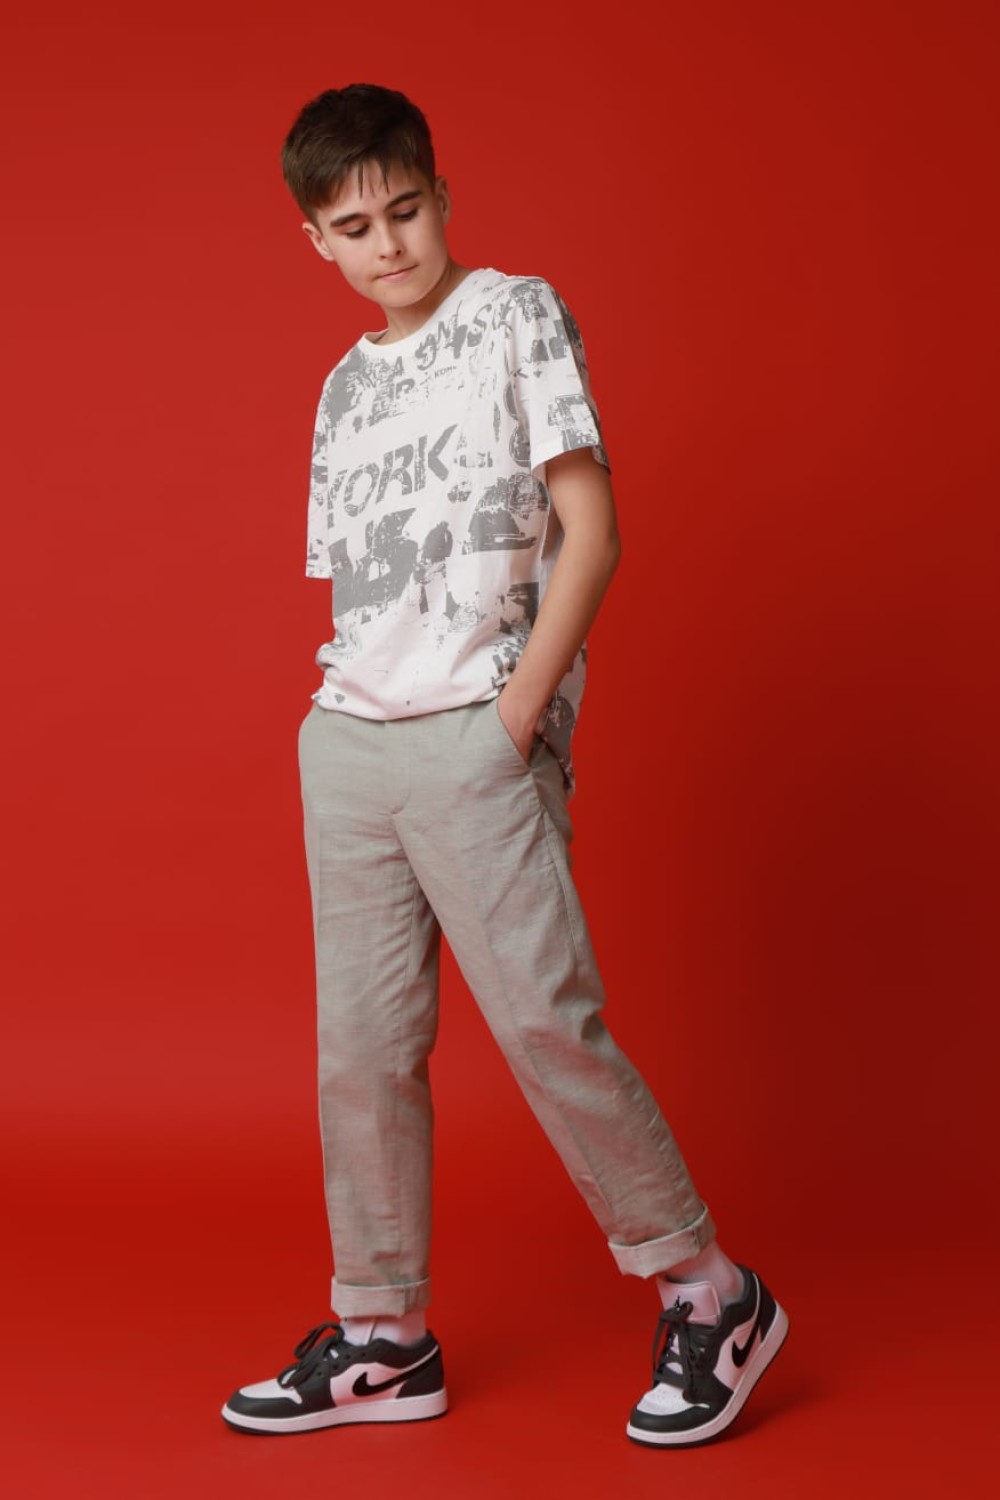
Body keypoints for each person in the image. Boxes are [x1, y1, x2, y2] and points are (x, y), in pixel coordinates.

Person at [221, 83, 787, 1448]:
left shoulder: (515, 315)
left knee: (543, 1021)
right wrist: (340, 730)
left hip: (477, 734)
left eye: (406, 210)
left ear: (442, 195)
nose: (388, 245)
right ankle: (384, 1338)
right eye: (355, 227)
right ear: (316, 242)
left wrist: (515, 715)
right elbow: (370, 587)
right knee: (363, 1054)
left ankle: (712, 1293)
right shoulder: (343, 387)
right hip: (350, 742)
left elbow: (591, 529)